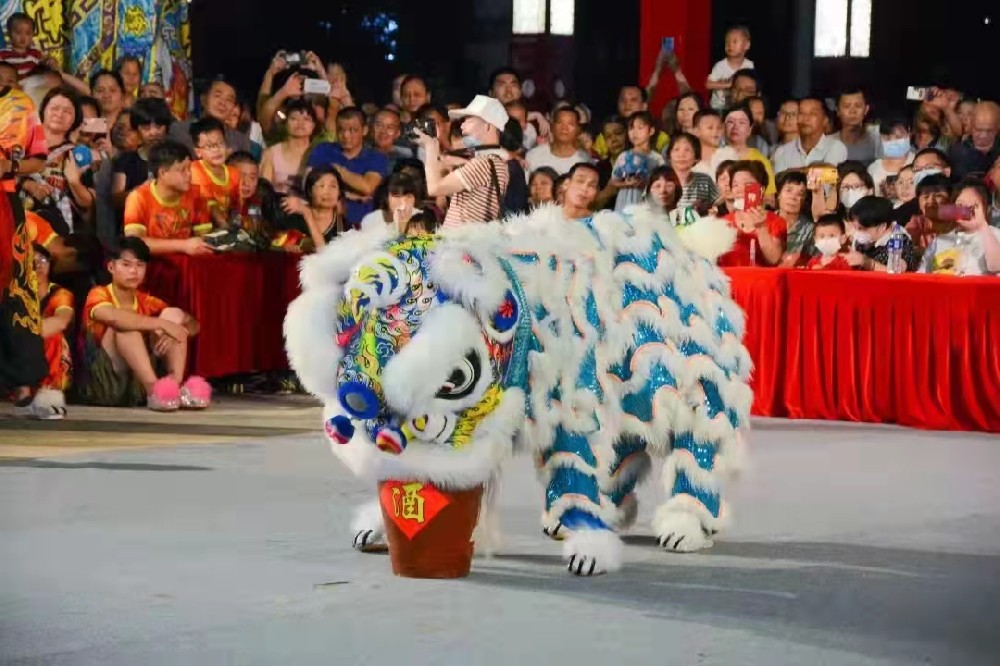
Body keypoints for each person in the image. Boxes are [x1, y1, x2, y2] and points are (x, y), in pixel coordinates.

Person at [78, 236, 208, 410]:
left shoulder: (146, 300)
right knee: (126, 328)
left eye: (140, 265)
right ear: (111, 267)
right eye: (126, 265)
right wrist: (161, 325)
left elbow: (193, 324)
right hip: (105, 383)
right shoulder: (98, 293)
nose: (134, 271)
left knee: (173, 315)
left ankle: (172, 388)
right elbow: (111, 316)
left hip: (135, 384)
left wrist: (178, 330)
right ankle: (155, 390)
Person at [415, 95, 512, 229]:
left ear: (488, 126)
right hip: (463, 243)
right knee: (395, 246)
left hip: (460, 246)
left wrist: (430, 146)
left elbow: (434, 188)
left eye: (468, 120)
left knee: (394, 247)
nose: (462, 125)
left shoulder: (484, 164)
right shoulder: (496, 162)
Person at [24, 86, 94, 234]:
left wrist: (74, 182)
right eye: (55, 108)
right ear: (43, 110)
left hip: (56, 233)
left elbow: (88, 203)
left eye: (67, 111)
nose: (60, 114)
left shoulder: (77, 154)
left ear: (75, 120)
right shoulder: (20, 143)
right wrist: (26, 183)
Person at [123, 139, 210, 255]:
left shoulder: (196, 193)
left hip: (187, 262)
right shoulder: (138, 197)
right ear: (163, 173)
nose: (189, 175)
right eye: (182, 170)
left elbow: (204, 237)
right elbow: (135, 244)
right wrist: (183, 246)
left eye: (189, 168)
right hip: (153, 265)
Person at [307, 107, 388, 227]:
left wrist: (334, 168)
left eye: (353, 130)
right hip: (324, 223)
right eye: (341, 130)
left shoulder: (376, 157)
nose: (346, 135)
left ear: (364, 130)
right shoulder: (323, 150)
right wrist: (347, 195)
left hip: (363, 226)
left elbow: (367, 187)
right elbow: (309, 184)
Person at [919, 181, 1000, 275]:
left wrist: (983, 225)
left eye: (973, 207)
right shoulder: (939, 241)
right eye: (960, 206)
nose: (965, 210)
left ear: (987, 209)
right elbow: (922, 274)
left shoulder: (996, 235)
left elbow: (996, 266)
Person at [31, 243, 73, 416]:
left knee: (53, 334)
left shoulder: (60, 294)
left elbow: (61, 321)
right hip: (16, 358)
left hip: (51, 362)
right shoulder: (11, 293)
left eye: (42, 260)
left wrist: (20, 336)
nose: (38, 266)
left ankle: (49, 397)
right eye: (30, 261)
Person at [718, 160, 786, 266]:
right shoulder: (723, 222)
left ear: (761, 189)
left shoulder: (776, 222)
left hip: (763, 281)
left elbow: (774, 259)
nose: (740, 189)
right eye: (735, 185)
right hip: (730, 280)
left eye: (747, 184)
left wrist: (761, 228)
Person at [111, 97, 172, 210]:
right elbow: (116, 201)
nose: (153, 133)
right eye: (146, 128)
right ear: (136, 129)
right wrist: (143, 190)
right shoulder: (124, 160)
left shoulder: (179, 156)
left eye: (159, 127)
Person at [169, 78, 251, 154]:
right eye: (217, 96)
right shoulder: (180, 130)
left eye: (229, 100)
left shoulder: (239, 139)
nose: (222, 103)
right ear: (203, 99)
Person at [190, 117, 240, 230]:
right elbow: (210, 205)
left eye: (220, 143)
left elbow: (237, 207)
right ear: (198, 152)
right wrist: (228, 229)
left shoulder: (234, 173)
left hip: (225, 228)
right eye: (209, 146)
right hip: (201, 230)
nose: (216, 150)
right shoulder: (195, 169)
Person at [773, 98, 848, 174]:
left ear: (825, 120)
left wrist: (790, 173)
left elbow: (830, 175)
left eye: (813, 113)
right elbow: (780, 181)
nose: (806, 119)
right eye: (801, 113)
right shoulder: (782, 152)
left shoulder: (836, 147)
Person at [280, 166, 347, 250]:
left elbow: (323, 253)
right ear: (310, 191)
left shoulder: (344, 228)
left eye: (333, 186)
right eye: (322, 186)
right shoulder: (294, 219)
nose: (328, 192)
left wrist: (307, 213)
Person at [844, 196, 916, 272]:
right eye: (855, 227)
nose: (857, 232)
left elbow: (896, 272)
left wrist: (868, 263)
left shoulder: (900, 240)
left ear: (882, 227)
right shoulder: (860, 240)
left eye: (862, 228)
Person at [594, 85, 669, 158]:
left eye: (633, 100)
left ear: (644, 106)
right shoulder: (604, 136)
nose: (627, 104)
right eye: (623, 100)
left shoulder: (660, 138)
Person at [610, 111, 664, 212]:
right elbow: (614, 181)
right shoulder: (624, 156)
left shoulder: (657, 159)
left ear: (651, 131)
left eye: (640, 128)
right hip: (624, 204)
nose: (634, 132)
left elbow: (662, 183)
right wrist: (626, 184)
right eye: (631, 128)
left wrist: (645, 183)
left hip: (648, 205)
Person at [259, 97, 314, 195]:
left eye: (306, 119)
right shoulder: (271, 153)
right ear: (285, 123)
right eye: (294, 118)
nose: (300, 124)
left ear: (313, 125)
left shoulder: (320, 153)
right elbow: (264, 191)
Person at [722, 104, 776, 197]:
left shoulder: (760, 160)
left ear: (750, 130)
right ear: (723, 127)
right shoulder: (713, 156)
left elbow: (769, 198)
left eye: (742, 122)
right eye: (730, 122)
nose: (735, 126)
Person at [525, 106, 590, 175]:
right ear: (552, 126)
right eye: (560, 122)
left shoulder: (584, 160)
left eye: (570, 124)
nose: (564, 128)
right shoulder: (534, 155)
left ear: (578, 130)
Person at [666, 132, 719, 213]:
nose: (681, 155)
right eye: (676, 149)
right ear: (669, 156)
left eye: (687, 150)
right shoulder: (661, 181)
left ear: (696, 158)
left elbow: (716, 203)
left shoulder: (704, 180)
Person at [948, 102, 1000, 181]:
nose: (983, 136)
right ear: (971, 126)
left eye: (989, 131)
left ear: (998, 128)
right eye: (978, 130)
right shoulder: (957, 153)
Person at [706, 26, 753, 111]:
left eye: (734, 42)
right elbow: (708, 84)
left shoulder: (749, 65)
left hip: (741, 106)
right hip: (719, 108)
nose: (730, 45)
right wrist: (728, 85)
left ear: (747, 45)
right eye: (727, 42)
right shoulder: (720, 66)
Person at [905, 172, 954, 252]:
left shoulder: (957, 224)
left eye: (938, 196)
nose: (931, 201)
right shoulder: (916, 222)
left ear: (950, 199)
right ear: (919, 203)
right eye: (925, 196)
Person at [868, 117, 914, 200]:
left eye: (898, 137)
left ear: (909, 134)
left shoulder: (918, 162)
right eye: (888, 138)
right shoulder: (873, 169)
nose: (893, 141)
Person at [774, 171, 813, 266]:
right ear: (779, 194)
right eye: (789, 190)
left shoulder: (810, 229)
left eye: (800, 193)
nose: (793, 197)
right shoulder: (764, 221)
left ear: (805, 200)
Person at [834, 89, 878, 165]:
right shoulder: (827, 144)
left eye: (858, 106)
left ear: (866, 109)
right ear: (838, 110)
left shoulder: (877, 142)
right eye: (847, 106)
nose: (852, 111)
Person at [692, 109, 736, 176]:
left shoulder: (729, 153)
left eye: (719, 128)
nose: (715, 131)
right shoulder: (689, 159)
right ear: (696, 131)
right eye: (710, 128)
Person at [369, 107, 412, 173]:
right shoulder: (359, 153)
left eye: (390, 127)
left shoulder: (405, 157)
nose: (383, 131)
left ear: (397, 133)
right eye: (379, 125)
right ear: (371, 128)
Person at [0, 13, 43, 79]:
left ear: (32, 35)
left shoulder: (36, 53)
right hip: (13, 87)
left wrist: (51, 61)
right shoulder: (3, 54)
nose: (23, 38)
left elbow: (47, 64)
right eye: (18, 33)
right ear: (9, 34)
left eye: (28, 33)